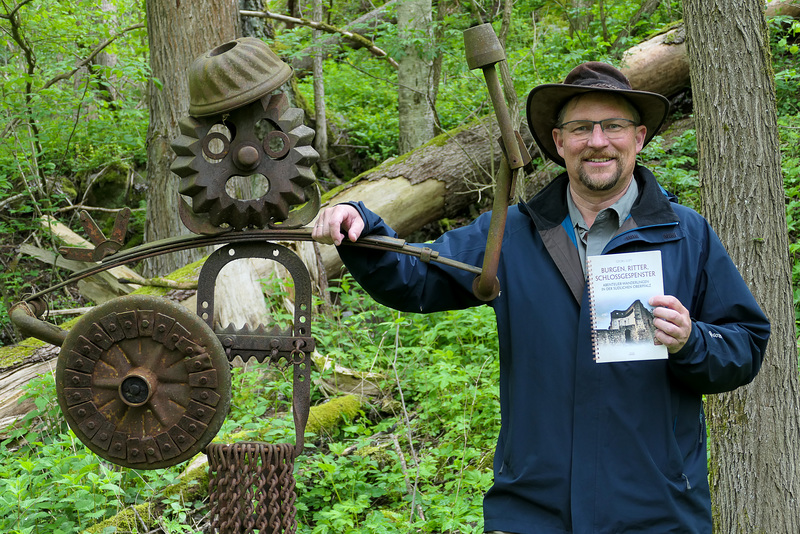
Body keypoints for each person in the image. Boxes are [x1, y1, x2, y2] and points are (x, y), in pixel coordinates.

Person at [311, 62, 770, 534]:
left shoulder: (684, 234)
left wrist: (691, 341)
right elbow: (414, 278)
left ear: (638, 138)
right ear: (558, 141)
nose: (597, 141)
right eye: (580, 128)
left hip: (656, 510)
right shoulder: (512, 233)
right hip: (534, 509)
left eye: (612, 126)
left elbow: (746, 344)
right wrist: (359, 225)